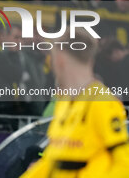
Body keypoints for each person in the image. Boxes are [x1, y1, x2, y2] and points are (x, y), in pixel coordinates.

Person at [21, 28, 129, 178]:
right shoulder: (64, 101)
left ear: (60, 59)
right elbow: (53, 161)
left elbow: (124, 164)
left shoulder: (101, 101)